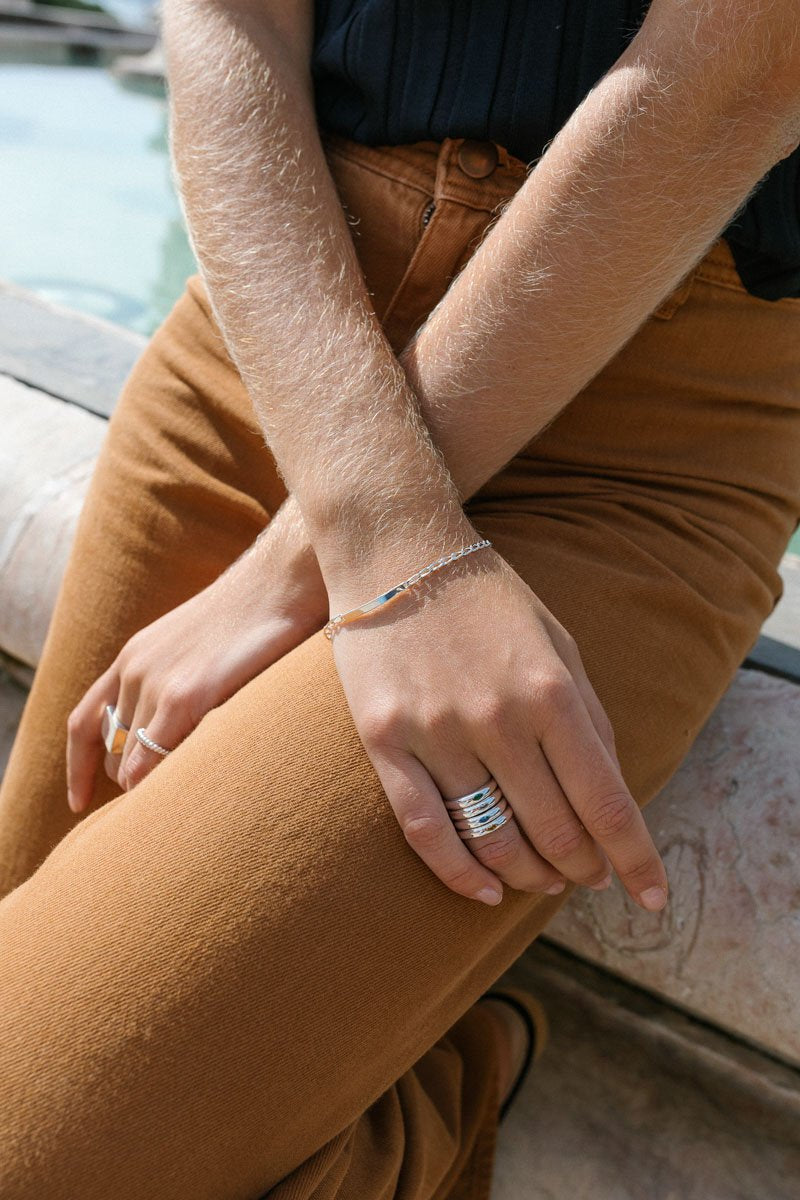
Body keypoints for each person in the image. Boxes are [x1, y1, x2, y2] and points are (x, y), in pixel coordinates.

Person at [0, 0, 799, 1196]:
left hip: (632, 426)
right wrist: (369, 534)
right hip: (266, 348)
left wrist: (364, 552)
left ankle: (449, 1101)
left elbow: (738, 72)